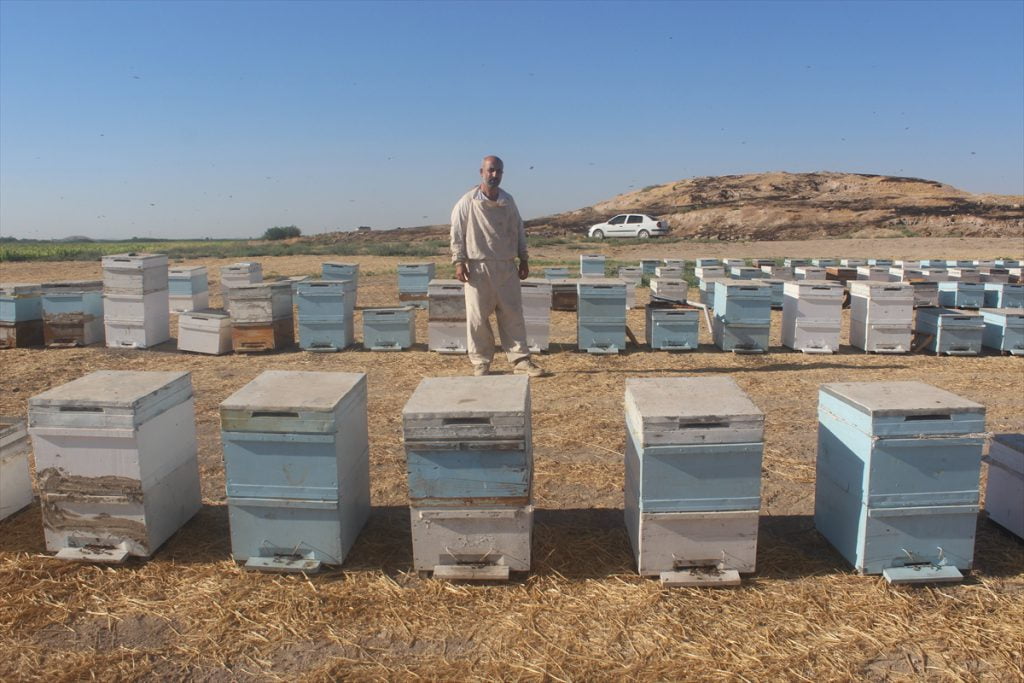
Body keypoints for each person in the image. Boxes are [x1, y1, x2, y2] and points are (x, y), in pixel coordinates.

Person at [450, 155, 545, 377]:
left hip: (506, 266)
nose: (494, 175)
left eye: (498, 171)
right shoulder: (467, 201)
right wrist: (459, 261)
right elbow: (456, 232)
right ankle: (481, 361)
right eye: (491, 170)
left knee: (512, 314)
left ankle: (520, 360)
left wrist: (524, 257)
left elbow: (519, 229)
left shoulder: (508, 200)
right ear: (481, 172)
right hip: (477, 266)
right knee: (477, 318)